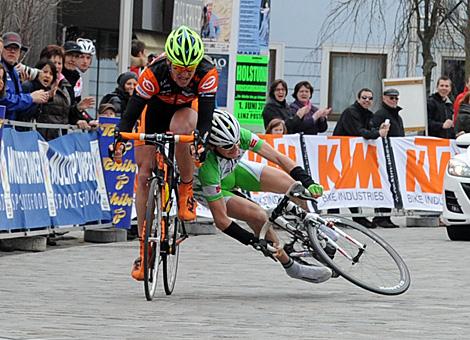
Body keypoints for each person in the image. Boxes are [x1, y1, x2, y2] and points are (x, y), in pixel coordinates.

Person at [115, 25, 218, 281]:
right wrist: (120, 137)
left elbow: (206, 116)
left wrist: (202, 140)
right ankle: (142, 248)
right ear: (169, 62)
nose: (184, 75)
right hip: (155, 110)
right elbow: (132, 110)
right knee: (143, 174)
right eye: (179, 69)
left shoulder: (207, 72)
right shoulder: (153, 72)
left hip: (185, 110)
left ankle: (185, 189)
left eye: (189, 69)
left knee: (182, 129)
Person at [193, 109, 331, 284]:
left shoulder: (240, 136)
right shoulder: (207, 168)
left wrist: (308, 181)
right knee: (258, 215)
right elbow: (221, 221)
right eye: (228, 146)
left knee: (293, 185)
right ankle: (291, 266)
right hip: (214, 188)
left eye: (237, 143)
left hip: (233, 171)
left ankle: (313, 232)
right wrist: (252, 240)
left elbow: (278, 158)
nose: (236, 149)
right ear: (212, 146)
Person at [332, 88, 390, 229]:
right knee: (338, 183)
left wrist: (377, 130)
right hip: (340, 153)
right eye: (364, 98)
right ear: (358, 98)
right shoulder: (351, 112)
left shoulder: (367, 114)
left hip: (353, 154)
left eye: (370, 98)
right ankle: (335, 215)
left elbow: (368, 130)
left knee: (351, 185)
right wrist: (378, 133)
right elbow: (359, 132)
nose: (367, 100)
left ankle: (356, 216)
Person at [370, 88, 404, 228]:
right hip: (383, 155)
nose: (394, 100)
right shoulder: (380, 114)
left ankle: (386, 215)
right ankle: (380, 216)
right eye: (391, 98)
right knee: (384, 183)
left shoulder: (397, 116)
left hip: (394, 154)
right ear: (384, 98)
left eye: (396, 98)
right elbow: (374, 131)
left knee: (391, 185)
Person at [0, 32, 49, 120]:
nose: (12, 51)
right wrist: (31, 98)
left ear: (20, 52)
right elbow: (4, 100)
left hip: (11, 127)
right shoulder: (2, 70)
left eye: (16, 48)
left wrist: (39, 98)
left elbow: (18, 108)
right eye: (8, 47)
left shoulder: (14, 71)